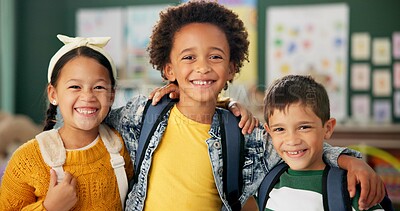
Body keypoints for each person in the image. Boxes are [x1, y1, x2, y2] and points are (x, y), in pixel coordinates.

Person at [106, 1, 384, 210]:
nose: (202, 67)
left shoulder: (243, 133)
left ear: (231, 68)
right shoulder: (144, 113)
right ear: (169, 69)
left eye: (215, 57)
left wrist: (350, 161)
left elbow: (296, 145)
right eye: (188, 58)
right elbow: (92, 119)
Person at [0, 34, 133, 210]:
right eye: (75, 87)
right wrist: (49, 207)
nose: (88, 96)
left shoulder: (121, 147)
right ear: (53, 94)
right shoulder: (27, 159)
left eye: (99, 87)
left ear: (111, 96)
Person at [262, 74, 385, 210]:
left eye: (304, 127)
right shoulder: (267, 182)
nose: (292, 140)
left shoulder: (348, 188)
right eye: (279, 129)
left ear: (327, 128)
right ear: (269, 132)